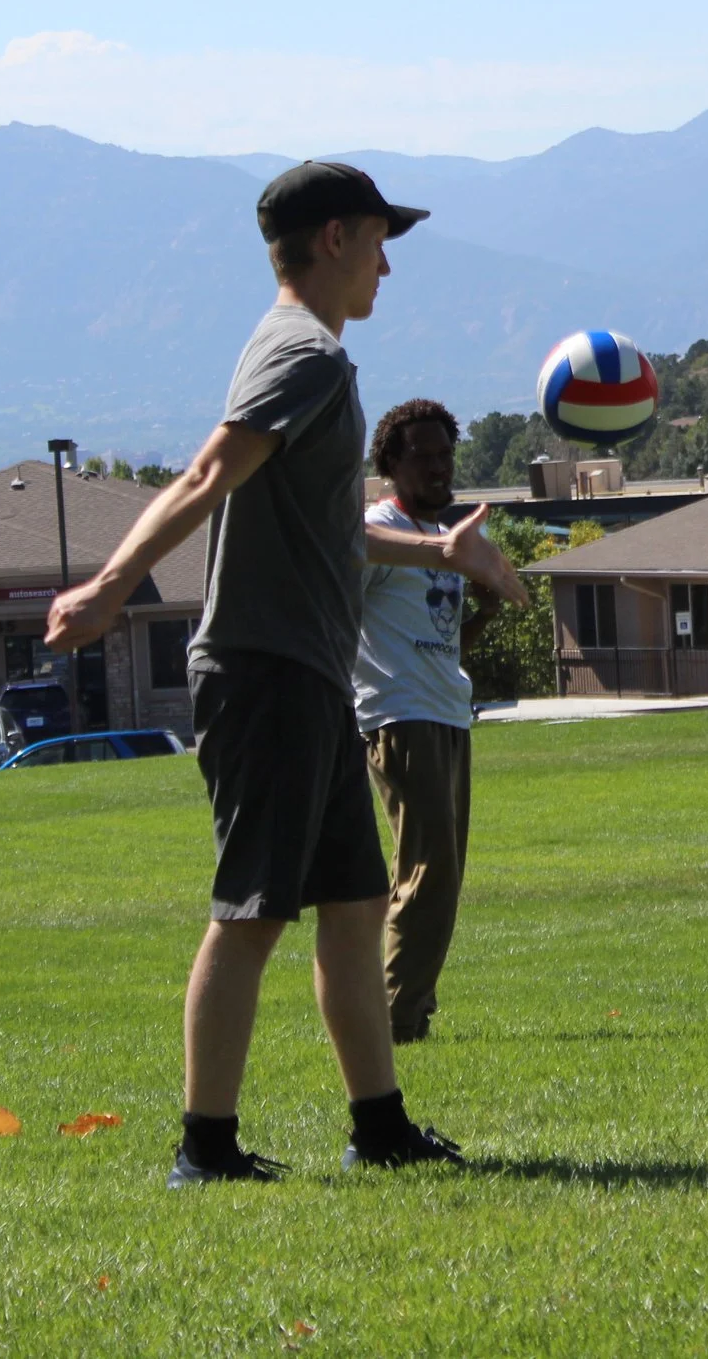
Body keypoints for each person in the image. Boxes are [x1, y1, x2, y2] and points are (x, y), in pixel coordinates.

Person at [45, 161, 529, 1186]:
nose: (389, 265)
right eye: (379, 240)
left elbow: (330, 532)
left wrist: (436, 552)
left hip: (310, 675)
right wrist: (109, 586)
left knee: (354, 901)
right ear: (336, 238)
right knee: (254, 908)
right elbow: (209, 474)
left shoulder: (307, 358)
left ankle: (379, 1123)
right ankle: (205, 1146)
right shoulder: (307, 355)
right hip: (263, 669)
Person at [355, 398, 499, 1044]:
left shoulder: (449, 537)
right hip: (399, 715)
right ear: (391, 463)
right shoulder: (379, 531)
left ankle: (412, 1006)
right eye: (424, 456)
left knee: (439, 873)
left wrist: (488, 608)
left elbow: (437, 637)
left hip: (447, 712)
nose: (440, 467)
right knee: (426, 872)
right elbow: (340, 616)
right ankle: (393, 1022)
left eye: (446, 454)